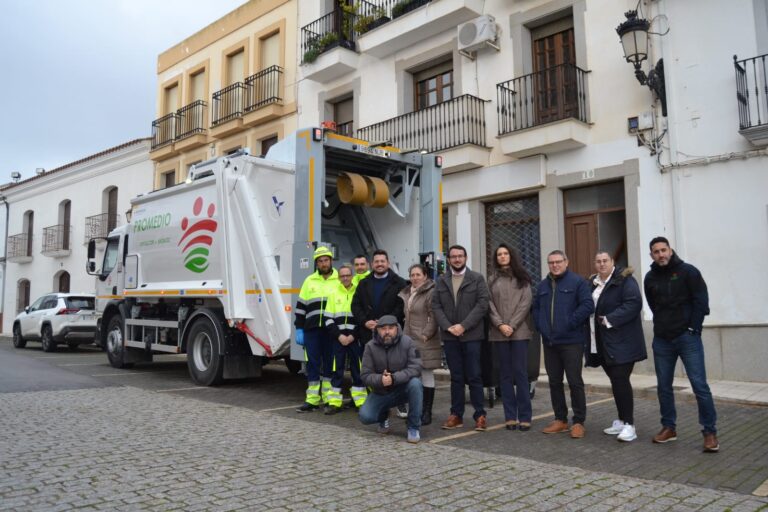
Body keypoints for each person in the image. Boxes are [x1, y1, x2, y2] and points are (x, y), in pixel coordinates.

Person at [644, 236, 718, 452]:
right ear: (652, 255)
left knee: (700, 386)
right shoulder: (650, 277)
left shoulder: (689, 272)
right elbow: (653, 304)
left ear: (670, 250)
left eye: (663, 250)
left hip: (687, 338)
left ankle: (710, 432)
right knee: (663, 387)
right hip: (662, 340)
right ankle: (669, 427)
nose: (661, 254)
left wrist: (693, 329)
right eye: (656, 251)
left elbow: (701, 302)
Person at [532, 250, 593, 438]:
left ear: (566, 262)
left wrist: (569, 323)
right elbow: (536, 309)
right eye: (551, 262)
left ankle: (579, 421)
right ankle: (560, 419)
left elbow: (587, 306)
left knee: (575, 382)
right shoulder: (542, 286)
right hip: (550, 342)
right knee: (554, 382)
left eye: (558, 261)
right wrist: (542, 327)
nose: (555, 265)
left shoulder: (578, 282)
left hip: (571, 341)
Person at [587, 251, 647, 442]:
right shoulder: (593, 283)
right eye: (598, 261)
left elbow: (634, 303)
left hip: (623, 341)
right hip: (602, 342)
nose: (602, 264)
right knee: (615, 381)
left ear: (613, 262)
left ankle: (630, 425)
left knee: (621, 380)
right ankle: (621, 421)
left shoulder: (625, 280)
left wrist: (609, 319)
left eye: (605, 261)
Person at [432, 244, 490, 431]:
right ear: (448, 260)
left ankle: (479, 415)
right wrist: (449, 327)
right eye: (453, 256)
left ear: (466, 258)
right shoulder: (441, 281)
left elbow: (482, 304)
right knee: (456, 377)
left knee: (474, 376)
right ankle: (456, 415)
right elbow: (436, 306)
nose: (457, 259)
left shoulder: (476, 279)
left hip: (472, 335)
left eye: (460, 256)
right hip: (450, 337)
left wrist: (463, 325)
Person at [487, 244, 533, 432]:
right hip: (499, 334)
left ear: (511, 255)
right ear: (496, 258)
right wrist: (500, 324)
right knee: (505, 375)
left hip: (519, 332)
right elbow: (488, 304)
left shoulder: (522, 278)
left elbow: (526, 302)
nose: (503, 256)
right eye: (500, 254)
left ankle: (525, 416)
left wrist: (512, 325)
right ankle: (509, 416)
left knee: (520, 374)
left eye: (506, 253)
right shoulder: (491, 280)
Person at [358, 315, 423, 443]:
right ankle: (384, 416)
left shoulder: (408, 342)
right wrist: (380, 379)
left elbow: (416, 368)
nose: (387, 332)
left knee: (416, 384)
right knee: (365, 417)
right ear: (377, 330)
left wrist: (394, 378)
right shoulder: (370, 347)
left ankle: (413, 427)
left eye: (391, 328)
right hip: (381, 391)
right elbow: (365, 375)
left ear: (397, 329)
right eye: (383, 329)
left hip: (403, 389)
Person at [294, 246, 339, 412]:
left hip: (331, 330)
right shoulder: (309, 281)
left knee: (330, 364)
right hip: (311, 330)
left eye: (326, 260)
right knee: (312, 364)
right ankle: (312, 400)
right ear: (316, 264)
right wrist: (299, 329)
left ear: (331, 261)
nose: (323, 263)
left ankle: (328, 398)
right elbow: (300, 308)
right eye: (320, 261)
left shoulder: (338, 280)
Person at [398, 263, 440, 425]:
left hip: (424, 339)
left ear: (425, 276)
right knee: (413, 375)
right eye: (412, 275)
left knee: (426, 373)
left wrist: (426, 334)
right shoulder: (408, 292)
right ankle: (416, 410)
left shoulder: (431, 292)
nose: (414, 278)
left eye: (418, 275)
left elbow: (434, 315)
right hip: (408, 339)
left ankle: (427, 412)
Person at [324, 264, 367, 414]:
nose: (345, 278)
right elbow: (328, 319)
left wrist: (352, 336)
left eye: (348, 275)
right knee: (337, 370)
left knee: (358, 370)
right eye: (342, 276)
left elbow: (362, 318)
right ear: (338, 277)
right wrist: (340, 336)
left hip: (355, 338)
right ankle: (334, 403)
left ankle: (360, 401)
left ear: (352, 275)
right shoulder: (333, 293)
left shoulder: (359, 292)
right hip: (338, 339)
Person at [351, 249, 406, 345]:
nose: (379, 264)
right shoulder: (363, 283)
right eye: (376, 261)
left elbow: (401, 306)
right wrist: (365, 321)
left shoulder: (399, 283)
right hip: (368, 334)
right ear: (372, 264)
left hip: (391, 333)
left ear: (388, 263)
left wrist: (386, 322)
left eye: (382, 261)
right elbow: (355, 305)